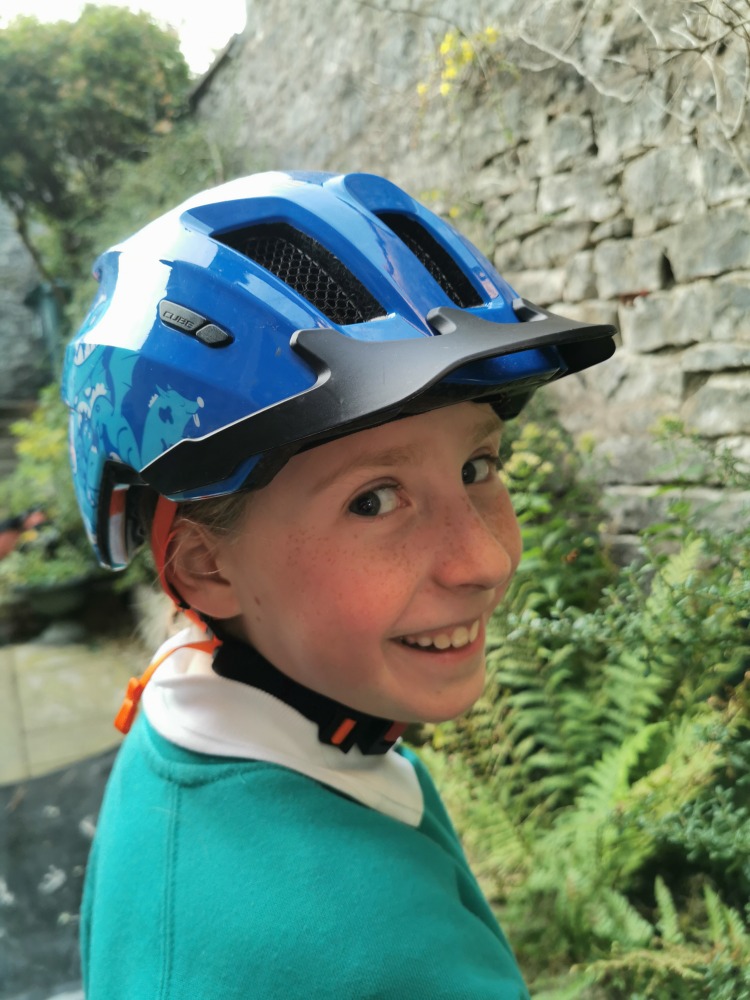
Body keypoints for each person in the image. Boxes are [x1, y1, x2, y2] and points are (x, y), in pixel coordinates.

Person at [62, 170, 616, 999]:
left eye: (477, 465)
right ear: (206, 567)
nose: (487, 562)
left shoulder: (183, 718)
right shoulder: (374, 959)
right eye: (373, 500)